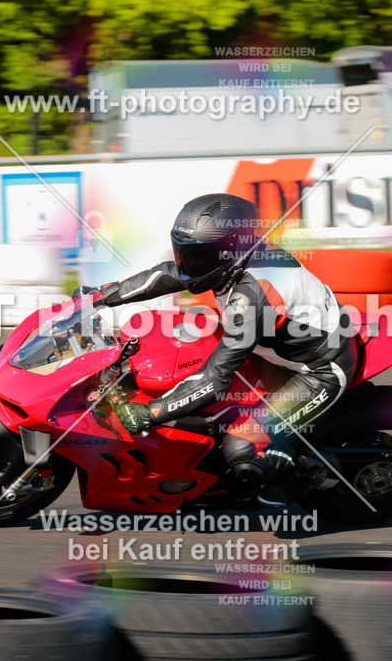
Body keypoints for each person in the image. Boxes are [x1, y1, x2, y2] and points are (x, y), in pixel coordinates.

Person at [75, 193, 357, 506]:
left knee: (241, 446)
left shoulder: (251, 297)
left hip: (317, 372)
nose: (188, 265)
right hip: (273, 349)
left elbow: (215, 379)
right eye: (185, 253)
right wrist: (101, 296)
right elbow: (168, 274)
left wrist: (153, 413)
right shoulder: (232, 260)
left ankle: (308, 471)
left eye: (199, 257)